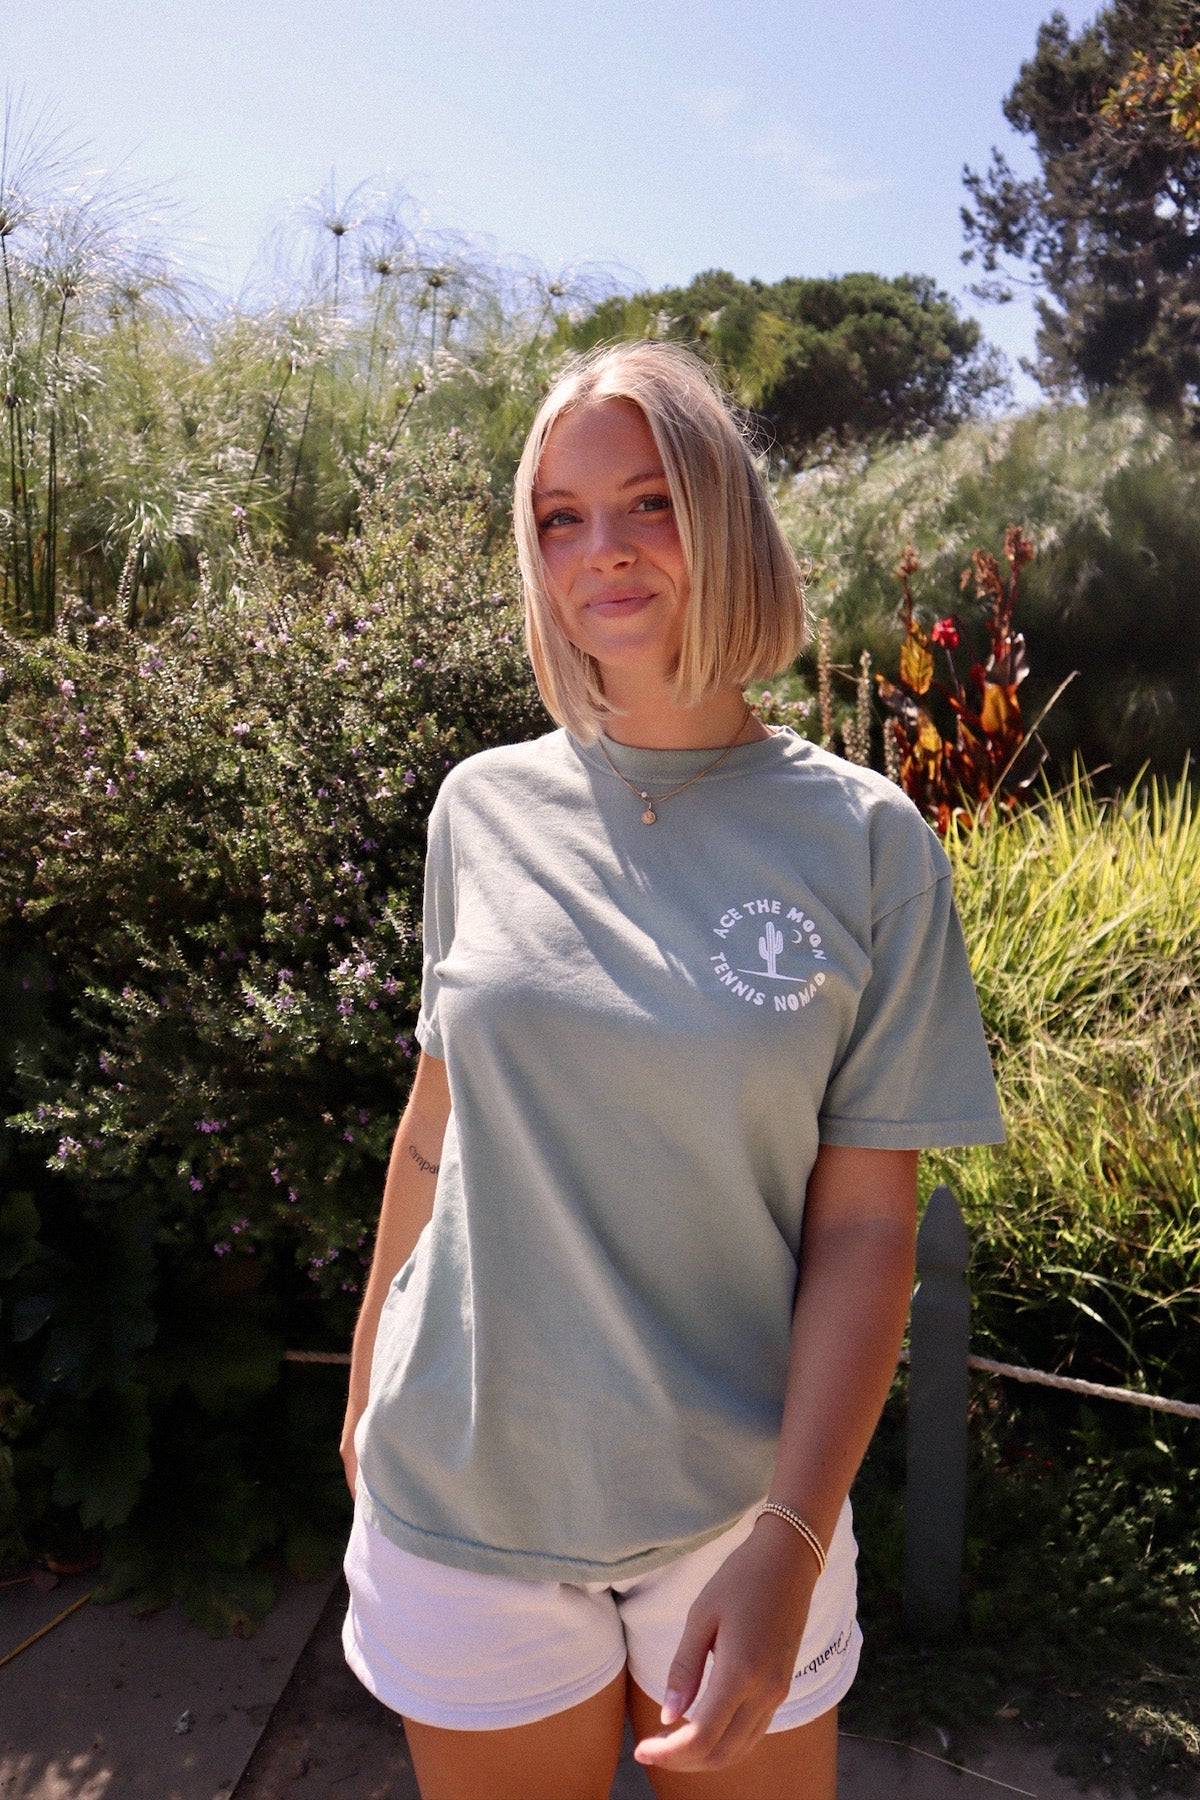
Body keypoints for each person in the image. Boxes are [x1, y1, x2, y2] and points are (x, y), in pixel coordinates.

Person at [339, 341, 1004, 1800]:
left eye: (649, 502)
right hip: (460, 1489)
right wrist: (367, 1378)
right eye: (561, 517)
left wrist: (792, 1539)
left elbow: (867, 1226)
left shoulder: (867, 841)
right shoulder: (477, 810)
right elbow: (435, 1128)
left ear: (725, 520)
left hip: (740, 1507)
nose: (606, 550)